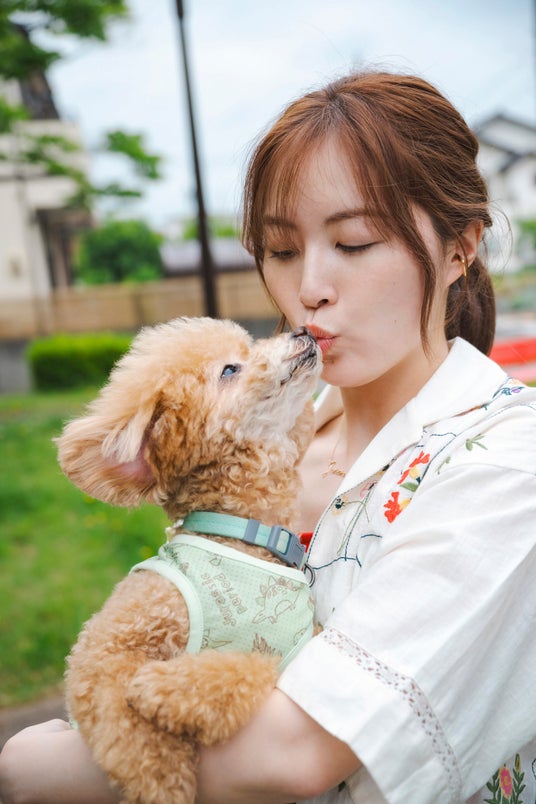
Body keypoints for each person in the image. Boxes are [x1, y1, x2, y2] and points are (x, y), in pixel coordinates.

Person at [1, 69, 535, 804]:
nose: (309, 286)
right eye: (282, 251)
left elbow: (299, 752)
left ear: (459, 249)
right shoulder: (260, 449)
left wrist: (52, 768)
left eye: (353, 242)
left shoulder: (507, 462)